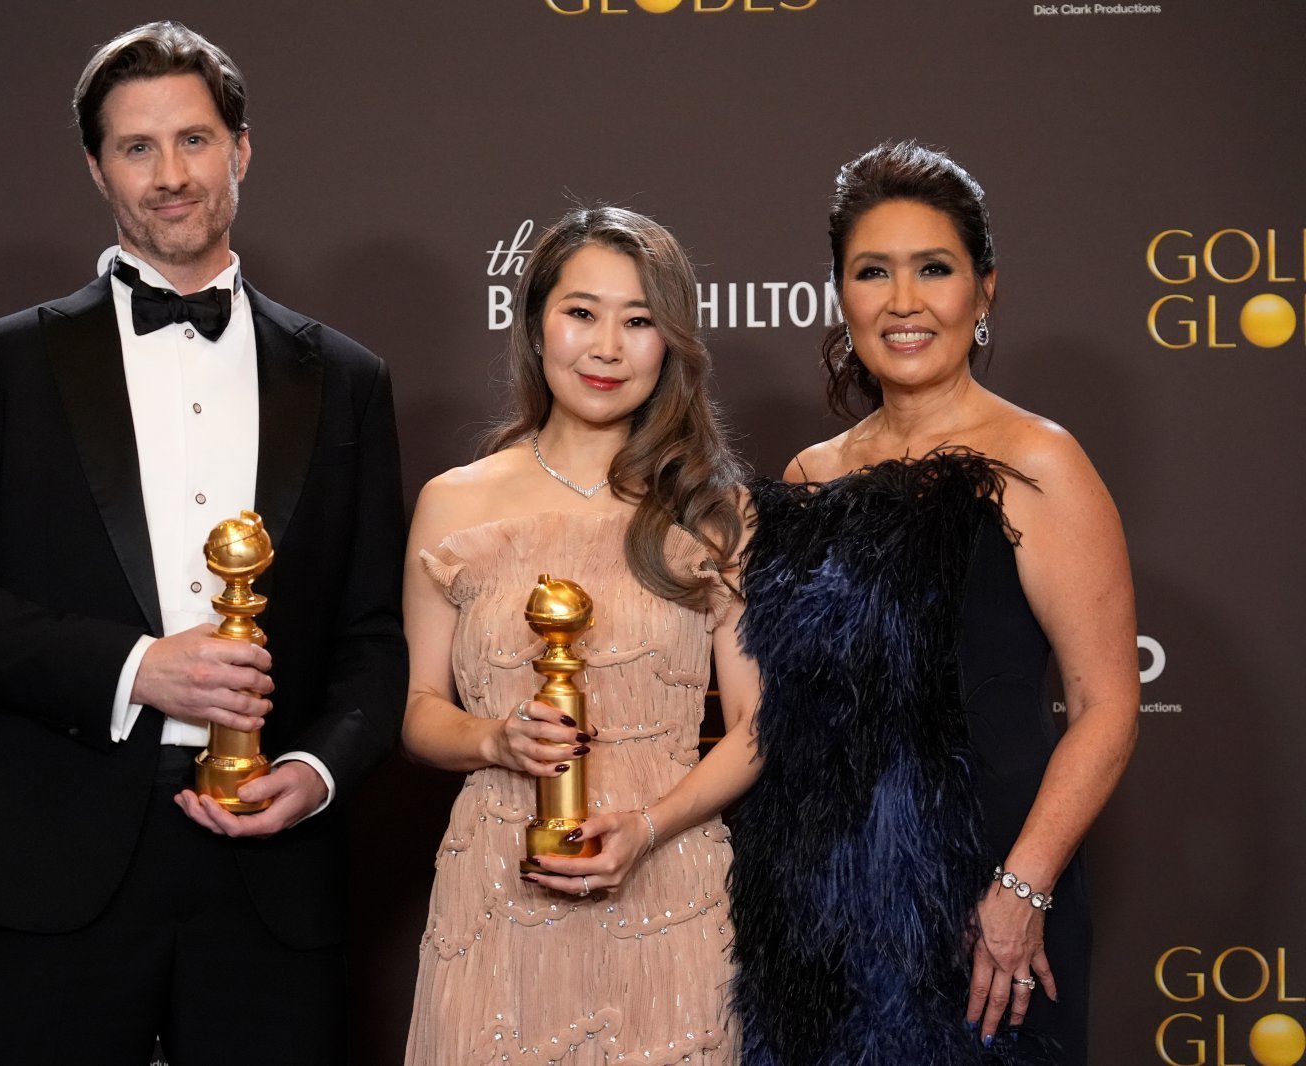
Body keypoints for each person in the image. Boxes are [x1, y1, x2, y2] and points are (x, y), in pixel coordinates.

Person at [0, 21, 405, 1065]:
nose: (170, 176)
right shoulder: (3, 364)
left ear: (241, 149)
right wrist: (136, 668)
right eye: (137, 147)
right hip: (51, 860)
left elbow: (375, 632)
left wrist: (316, 768)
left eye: (194, 140)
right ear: (96, 167)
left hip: (272, 869)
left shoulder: (346, 378)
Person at [729, 142, 1139, 1065]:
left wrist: (1022, 890)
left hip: (983, 907)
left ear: (984, 290)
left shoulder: (1038, 462)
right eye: (873, 271)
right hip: (816, 915)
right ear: (841, 294)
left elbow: (1107, 707)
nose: (903, 300)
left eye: (935, 269)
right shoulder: (808, 477)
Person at [401, 206, 761, 1064]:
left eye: (638, 321)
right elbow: (418, 710)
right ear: (536, 326)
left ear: (670, 344)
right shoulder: (454, 501)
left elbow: (760, 725)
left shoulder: (717, 511)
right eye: (582, 313)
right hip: (497, 894)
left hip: (668, 891)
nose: (607, 347)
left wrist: (650, 825)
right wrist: (494, 738)